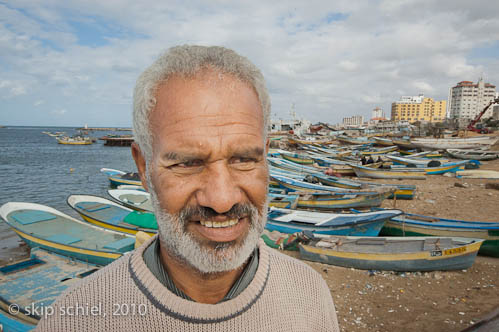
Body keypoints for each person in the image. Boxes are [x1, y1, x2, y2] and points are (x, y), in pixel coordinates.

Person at [35, 45, 339, 331]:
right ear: (144, 167)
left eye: (244, 159)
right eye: (187, 164)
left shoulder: (310, 295)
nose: (221, 200)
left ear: (266, 156)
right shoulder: (73, 320)